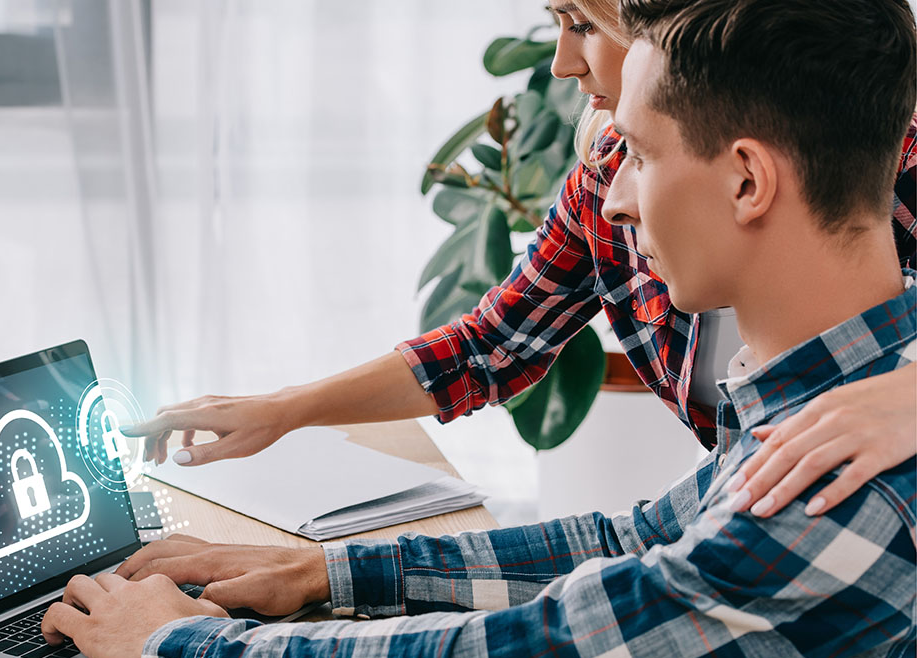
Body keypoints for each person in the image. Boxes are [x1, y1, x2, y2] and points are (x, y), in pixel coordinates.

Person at [43, 1, 917, 658]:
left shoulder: (841, 488)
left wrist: (177, 650)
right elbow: (642, 541)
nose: (609, 197)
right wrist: (326, 572)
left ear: (747, 181)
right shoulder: (828, 396)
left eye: (641, 155)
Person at [121, 0, 917, 523]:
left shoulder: (873, 155)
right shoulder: (610, 176)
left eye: (583, 23)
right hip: (767, 512)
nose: (565, 63)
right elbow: (490, 346)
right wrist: (284, 409)